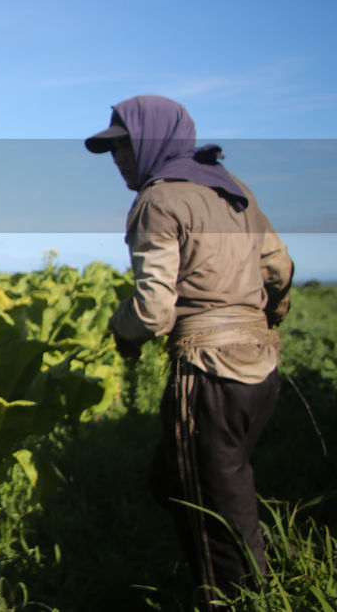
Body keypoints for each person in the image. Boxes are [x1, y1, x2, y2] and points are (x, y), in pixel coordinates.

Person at [85, 94, 293, 609]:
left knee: (214, 509)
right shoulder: (231, 188)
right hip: (260, 368)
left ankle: (238, 599)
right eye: (112, 150)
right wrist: (262, 319)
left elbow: (154, 310)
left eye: (124, 146)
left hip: (208, 370)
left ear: (153, 140)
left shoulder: (160, 199)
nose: (118, 159)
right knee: (183, 480)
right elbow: (279, 269)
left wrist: (121, 328)